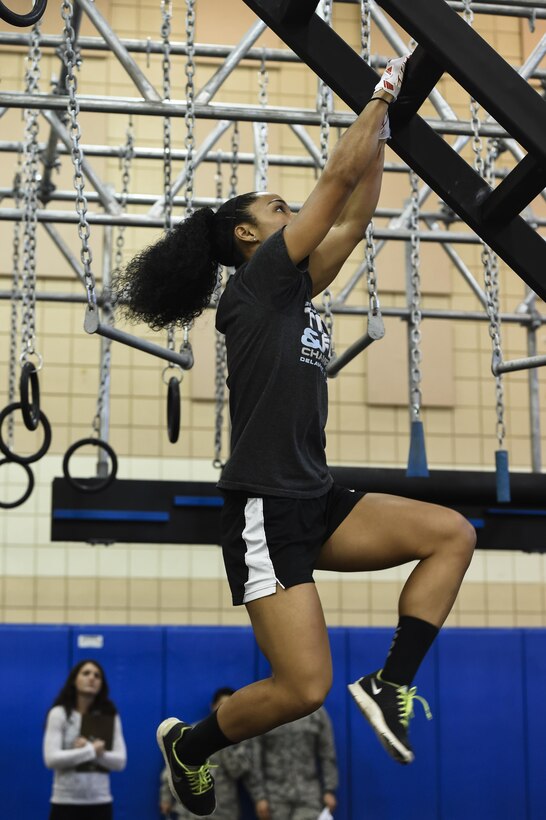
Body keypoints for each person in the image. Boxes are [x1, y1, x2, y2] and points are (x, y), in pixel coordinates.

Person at [114, 55, 476, 817]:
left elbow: (357, 209)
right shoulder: (255, 286)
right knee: (303, 688)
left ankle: (391, 682)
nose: (293, 210)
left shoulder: (297, 286)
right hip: (264, 508)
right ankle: (191, 745)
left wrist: (389, 124)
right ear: (248, 234)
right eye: (278, 207)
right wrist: (379, 95)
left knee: (452, 533)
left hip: (314, 495)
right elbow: (336, 186)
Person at [159, 688, 267, 820]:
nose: (226, 711)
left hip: (224, 810)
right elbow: (174, 766)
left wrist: (226, 741)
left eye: (230, 707)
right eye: (222, 706)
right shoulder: (194, 732)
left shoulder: (242, 739)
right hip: (190, 812)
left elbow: (238, 771)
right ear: (213, 706)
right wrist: (165, 797)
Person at [43, 659, 127, 820]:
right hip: (65, 803)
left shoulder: (110, 715)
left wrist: (91, 750)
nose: (92, 678)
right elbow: (51, 759)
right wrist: (90, 750)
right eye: (86, 673)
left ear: (101, 683)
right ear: (74, 680)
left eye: (97, 675)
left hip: (100, 802)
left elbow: (120, 761)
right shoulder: (59, 713)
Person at [253, 705, 338, 820]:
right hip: (275, 798)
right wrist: (259, 796)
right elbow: (254, 757)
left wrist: (329, 789)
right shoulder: (266, 712)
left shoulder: (315, 711)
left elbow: (327, 753)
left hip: (308, 796)